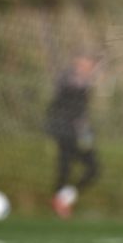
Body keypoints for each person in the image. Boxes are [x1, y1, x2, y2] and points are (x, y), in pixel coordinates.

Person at [45, 54, 99, 219]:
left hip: (78, 132)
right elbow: (68, 87)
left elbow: (82, 114)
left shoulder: (85, 85)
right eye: (85, 64)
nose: (88, 68)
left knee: (93, 168)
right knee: (65, 165)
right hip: (64, 130)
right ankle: (60, 201)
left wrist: (86, 133)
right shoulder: (69, 81)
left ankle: (62, 199)